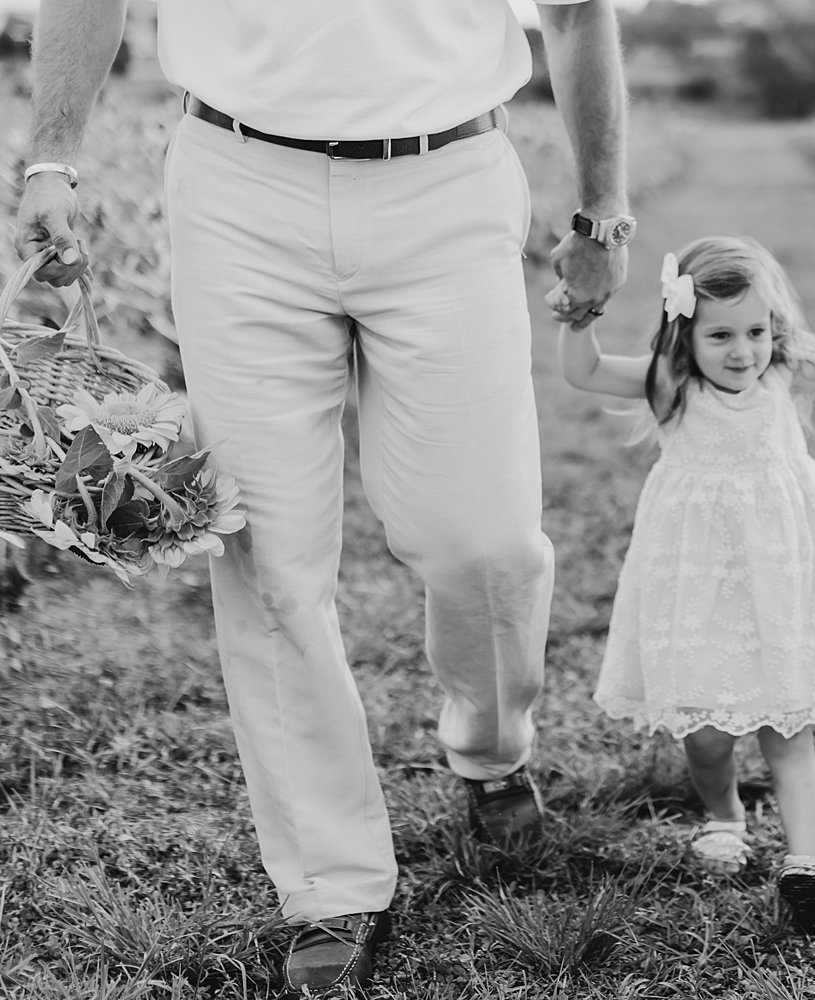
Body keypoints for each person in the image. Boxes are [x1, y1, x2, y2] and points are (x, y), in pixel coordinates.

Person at [12, 0, 630, 991]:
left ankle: (491, 743)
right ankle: (330, 880)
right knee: (267, 558)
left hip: (449, 178)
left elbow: (574, 9)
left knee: (482, 539)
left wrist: (602, 209)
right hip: (236, 182)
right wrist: (52, 155)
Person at [555, 236, 815, 934]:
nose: (743, 351)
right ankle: (724, 814)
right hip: (699, 578)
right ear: (686, 333)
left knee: (787, 730)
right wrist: (578, 312)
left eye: (757, 332)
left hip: (779, 575)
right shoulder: (672, 383)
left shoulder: (785, 377)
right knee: (705, 735)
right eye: (722, 335)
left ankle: (806, 865)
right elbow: (582, 372)